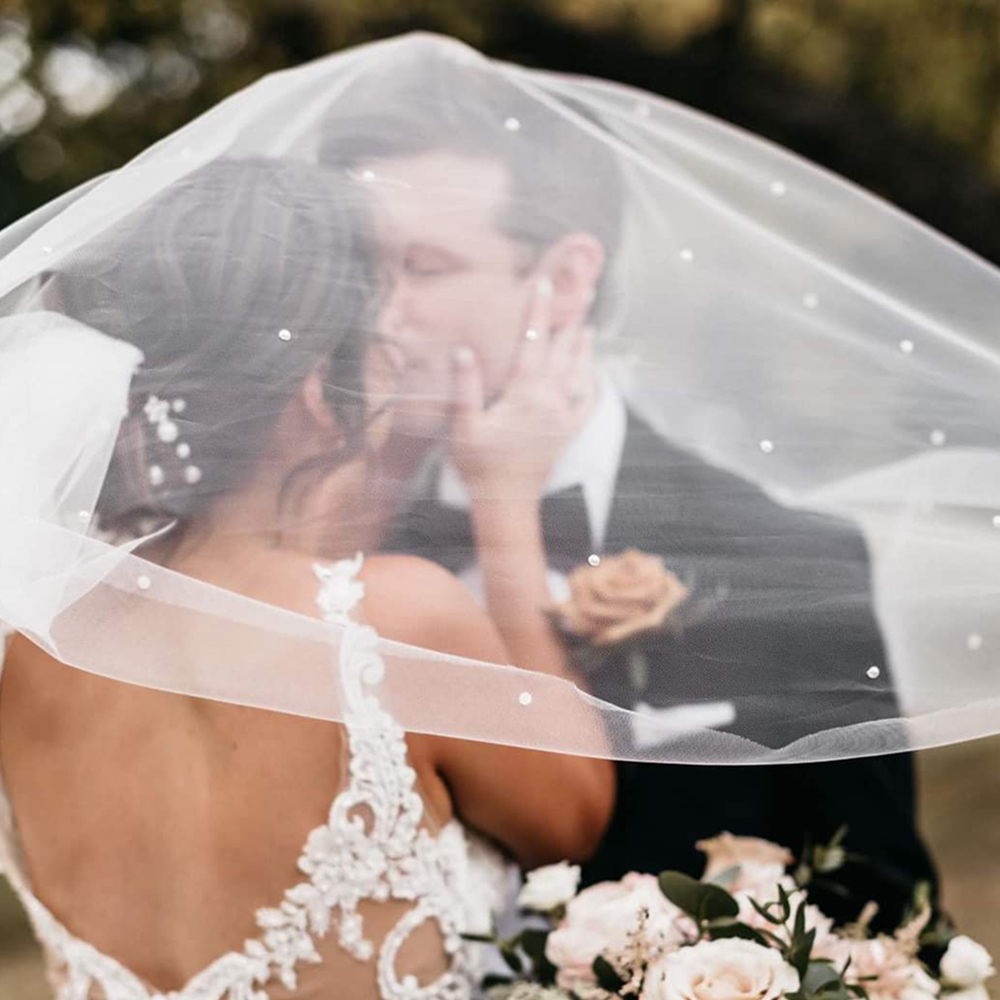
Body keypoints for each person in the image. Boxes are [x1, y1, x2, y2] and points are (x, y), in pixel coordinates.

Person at [318, 49, 940, 929]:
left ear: (565, 281)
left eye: (424, 269)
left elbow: (885, 915)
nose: (378, 316)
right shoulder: (321, 558)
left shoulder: (792, 558)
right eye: (361, 269)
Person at [0, 158, 614, 1000]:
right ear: (321, 389)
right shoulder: (393, 621)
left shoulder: (32, 642)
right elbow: (571, 818)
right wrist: (503, 501)